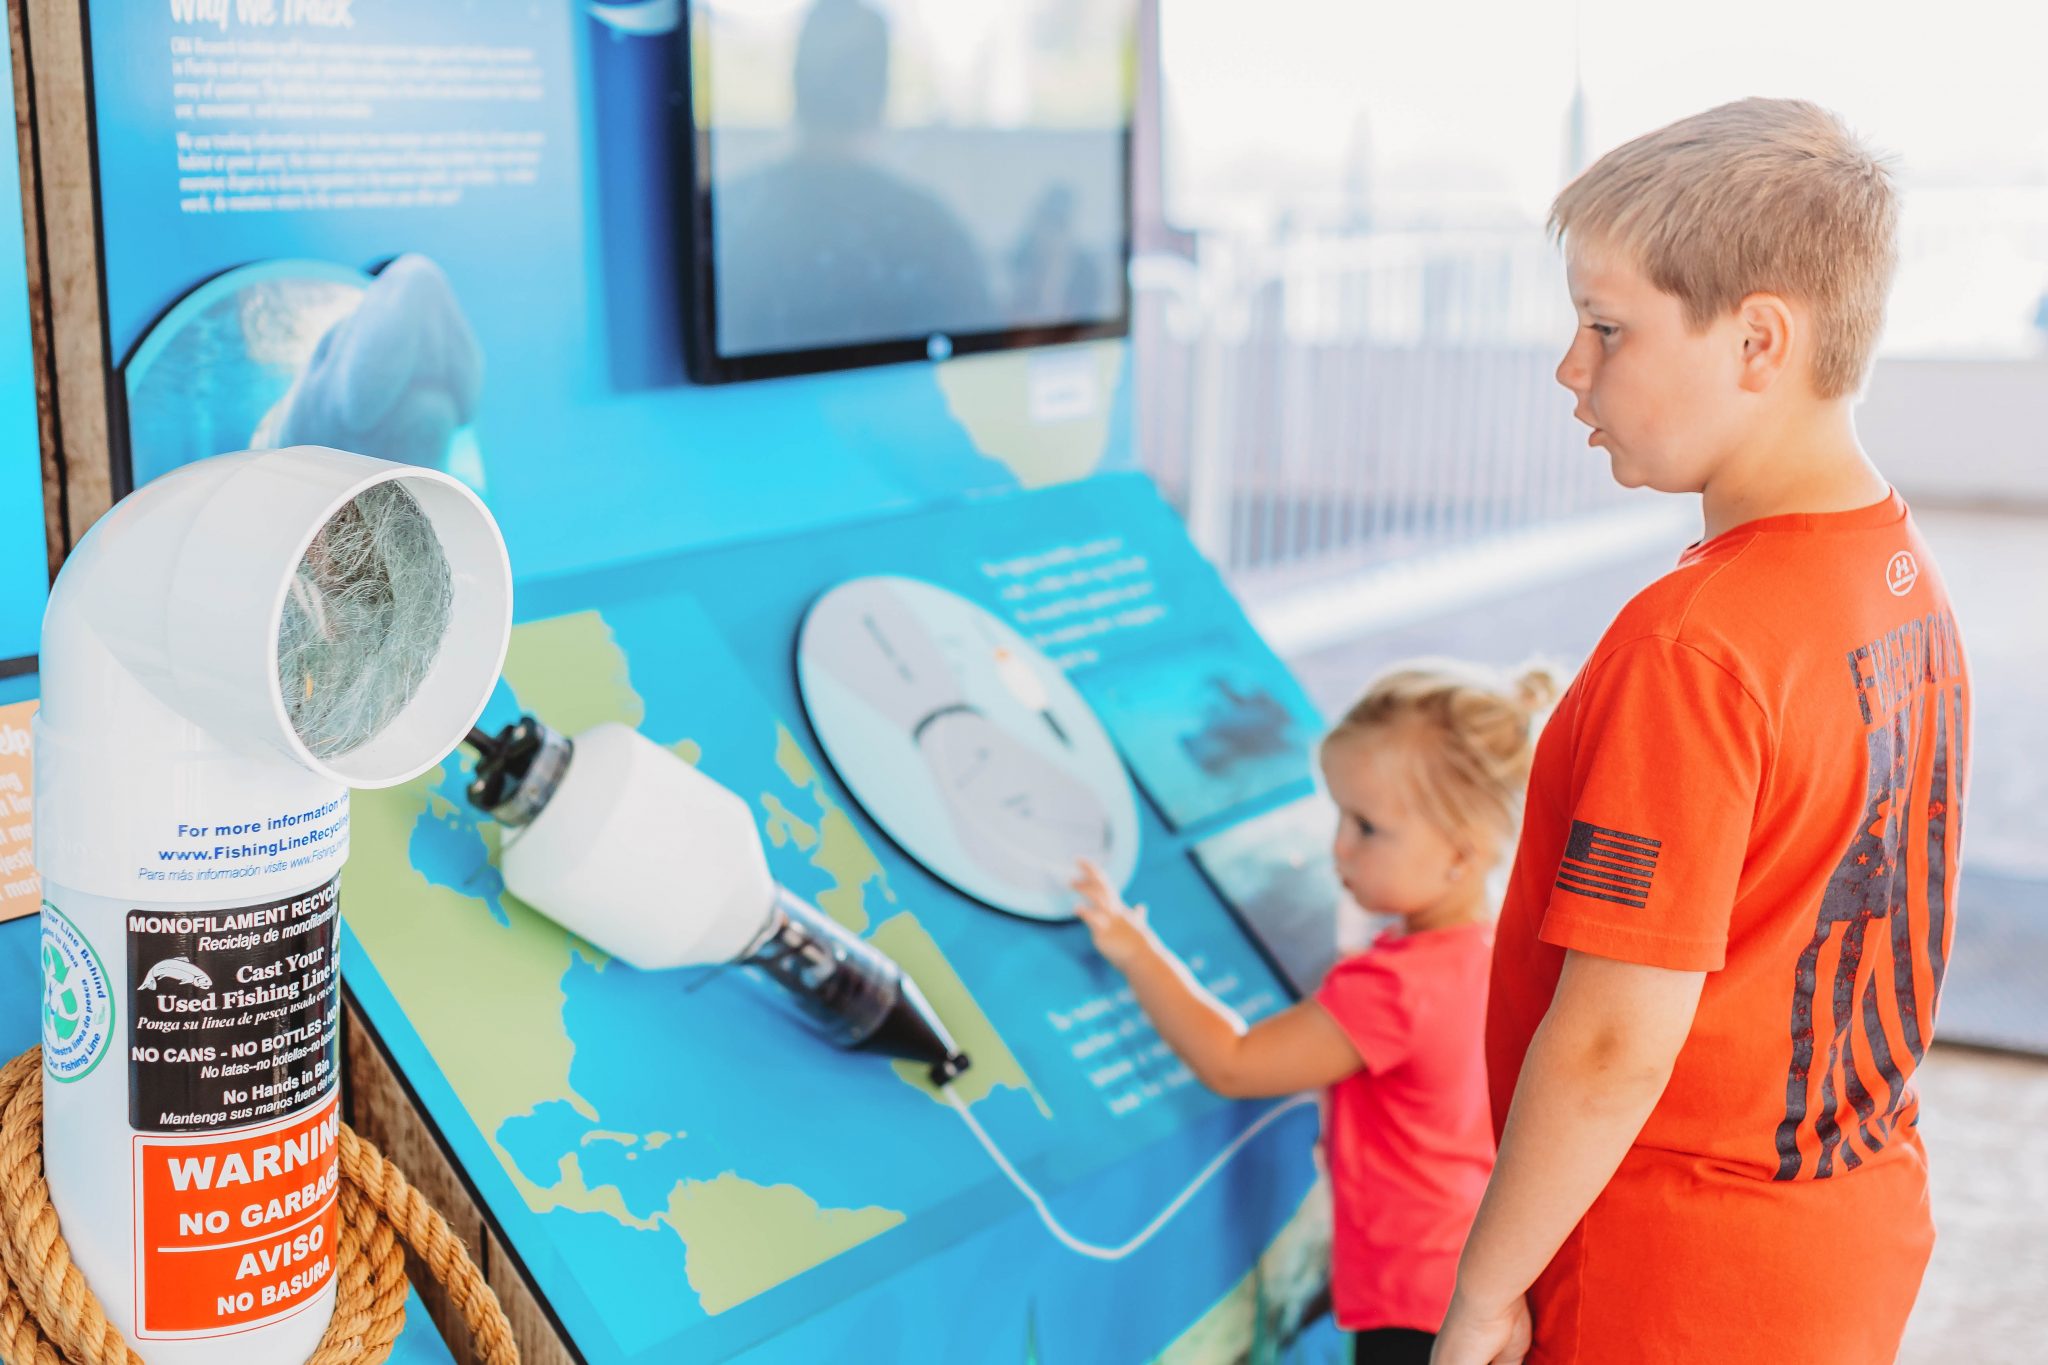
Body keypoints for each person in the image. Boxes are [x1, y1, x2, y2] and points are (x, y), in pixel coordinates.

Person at [1435, 99, 1970, 1365]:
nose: (1571, 367)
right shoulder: (1896, 570)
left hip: (1668, 1269)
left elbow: (1616, 1035)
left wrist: (1482, 1290)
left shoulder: (1693, 645)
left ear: (1756, 342)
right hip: (1843, 1229)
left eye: (1605, 328)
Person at [1072, 661, 1558, 1365]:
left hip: (1412, 1307)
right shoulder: (1496, 949)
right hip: (1473, 1282)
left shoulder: (1391, 988)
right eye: (1339, 815)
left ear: (1461, 850)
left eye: (1367, 827)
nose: (1338, 847)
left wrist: (1134, 947)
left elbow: (1233, 1062)